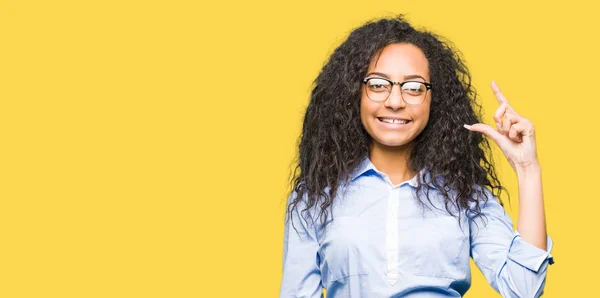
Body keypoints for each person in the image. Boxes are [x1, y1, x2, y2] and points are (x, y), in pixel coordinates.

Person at [279, 15, 554, 298]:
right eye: (377, 84)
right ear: (354, 93)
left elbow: (525, 288)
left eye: (413, 88)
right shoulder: (315, 199)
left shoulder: (464, 196)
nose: (395, 101)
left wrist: (526, 168)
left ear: (435, 100)